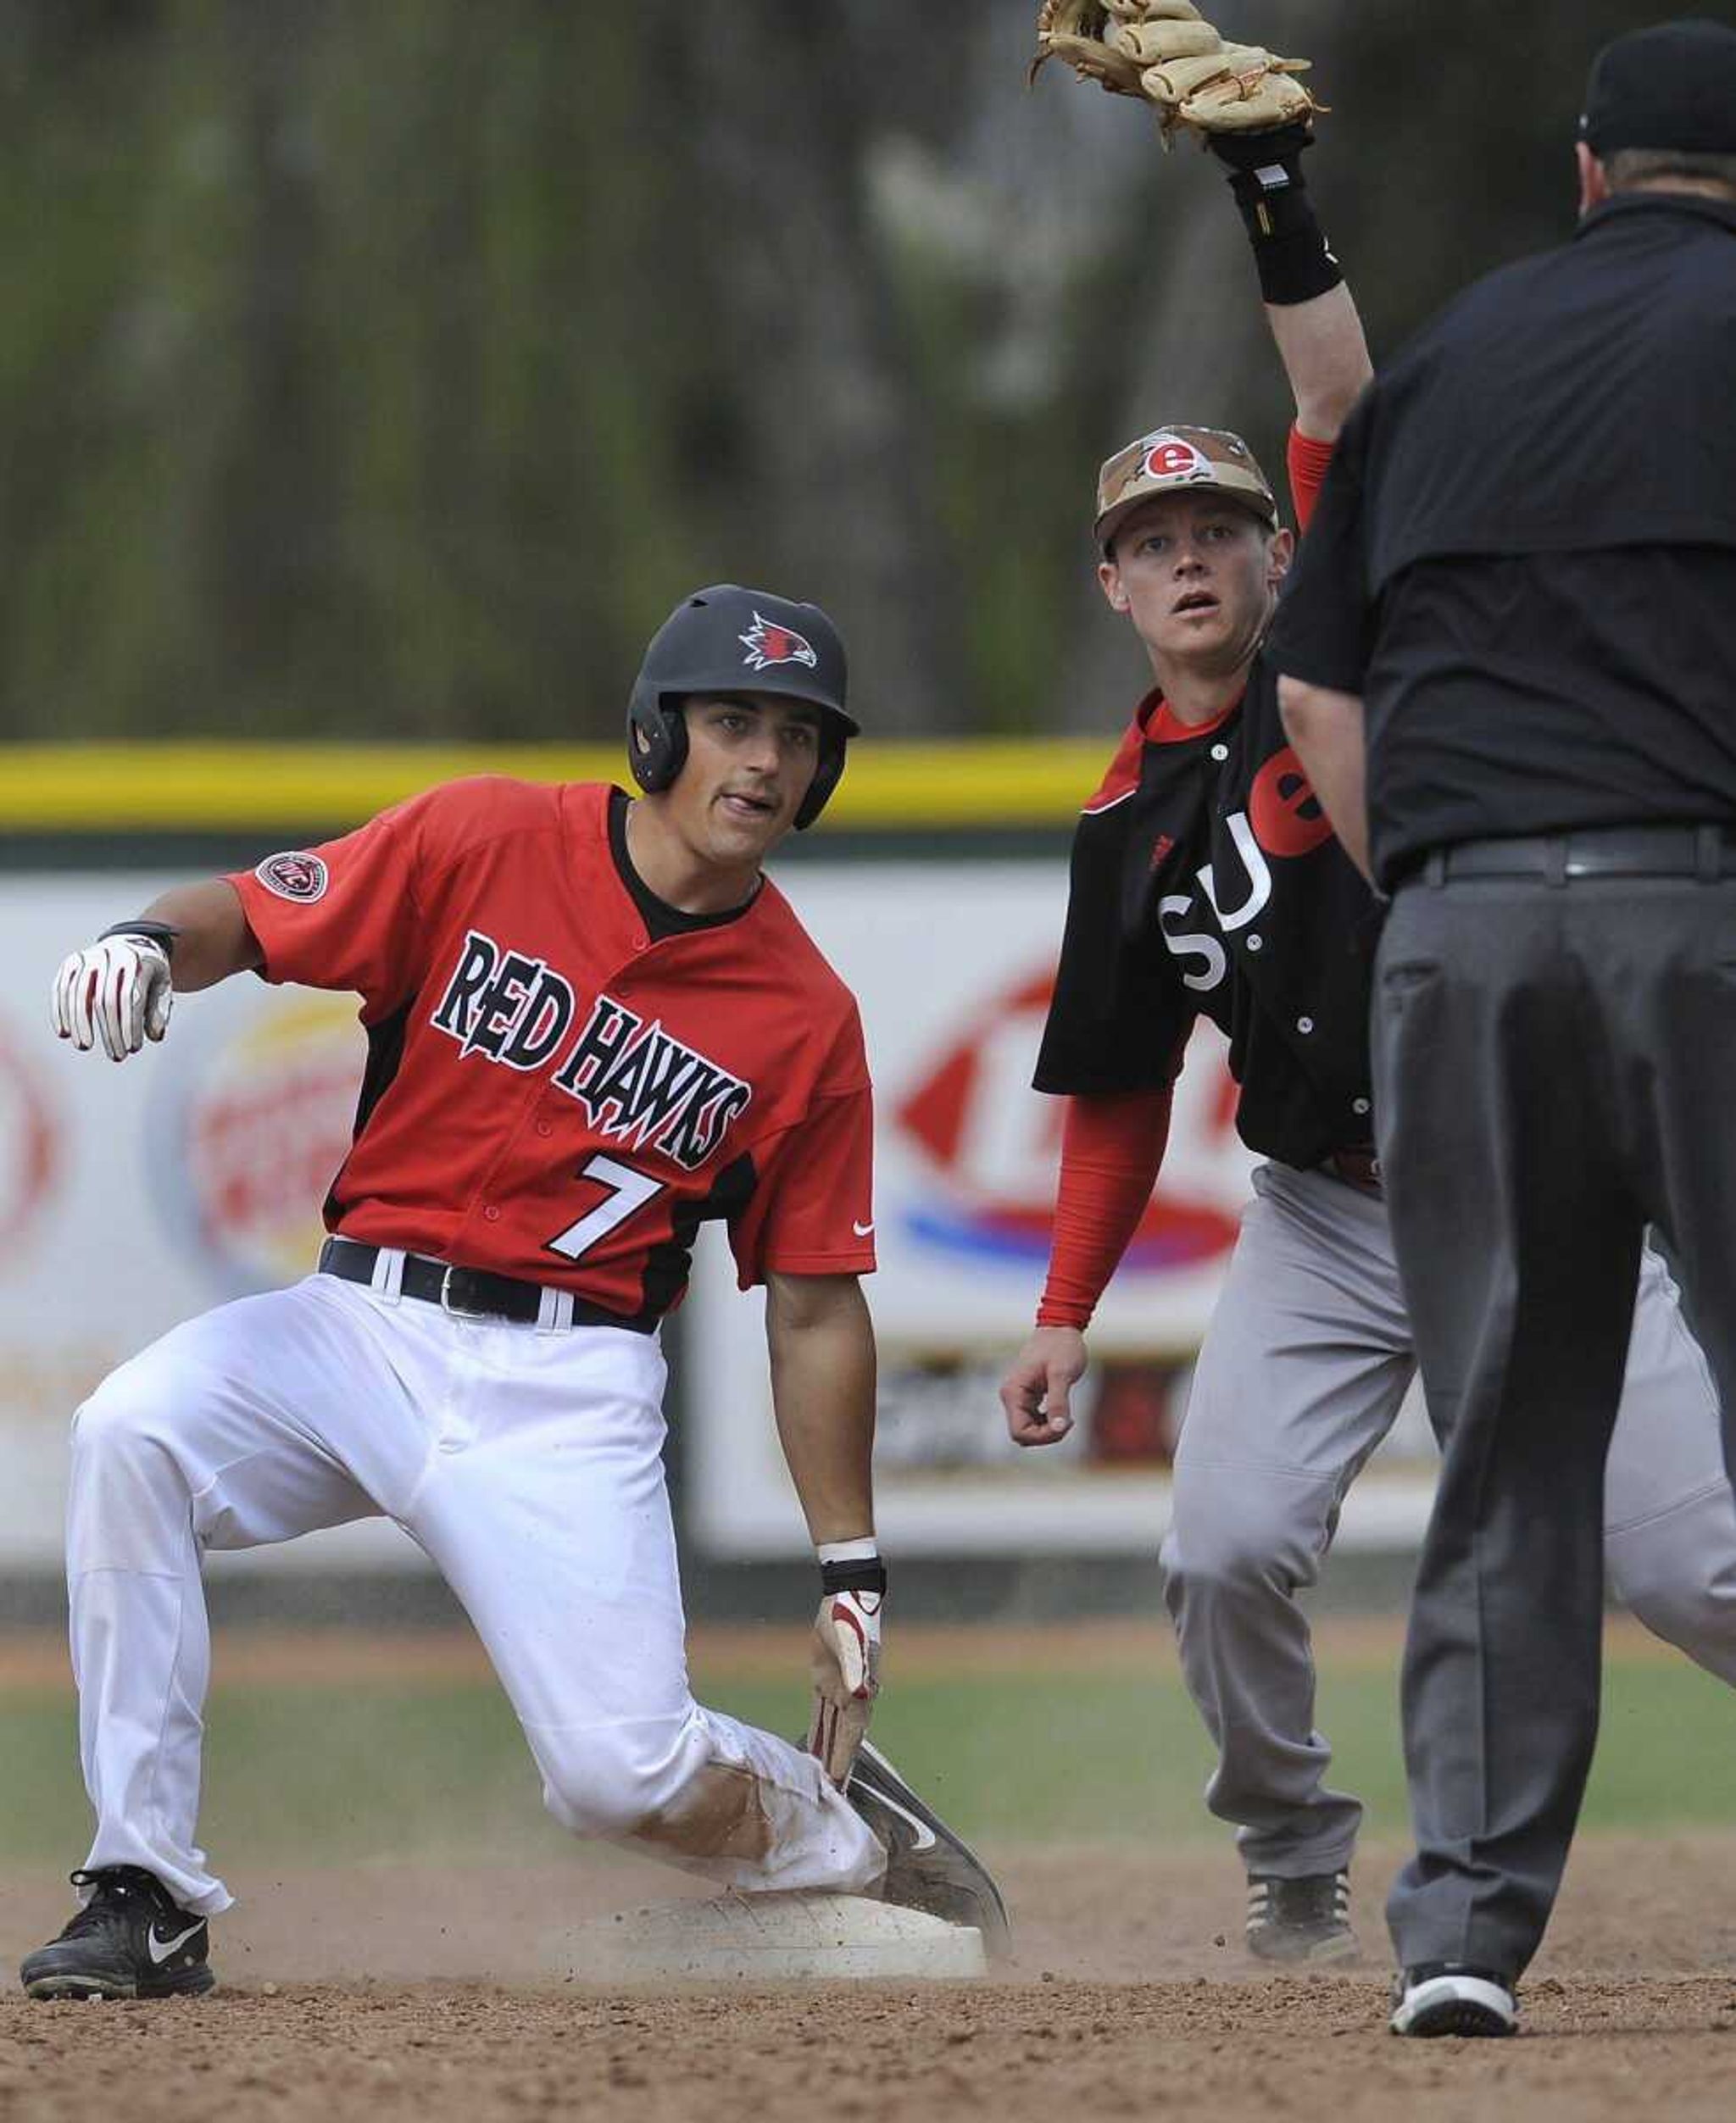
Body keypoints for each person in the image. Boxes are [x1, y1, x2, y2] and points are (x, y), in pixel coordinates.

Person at [997, 79, 1736, 2002]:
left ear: (1276, 550)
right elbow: (1115, 1088)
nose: (1187, 557)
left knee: (1692, 1568)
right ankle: (1295, 1852)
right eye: (1149, 534)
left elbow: (1335, 399)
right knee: (1220, 1545)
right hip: (1326, 1215)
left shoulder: (1364, 648)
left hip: (1526, 1173)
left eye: (1219, 527)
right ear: (1109, 583)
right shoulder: (1121, 826)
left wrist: (1271, 198)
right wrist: (1069, 1309)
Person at [26, 582, 1008, 2001]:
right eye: (732, 720)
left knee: (623, 1777)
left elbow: (811, 1303)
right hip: (359, 1323)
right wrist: (143, 941)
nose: (765, 762)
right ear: (655, 733)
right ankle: (145, 1889)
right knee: (132, 1430)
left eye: (799, 736)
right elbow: (246, 913)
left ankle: (838, 1824)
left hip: (572, 1382)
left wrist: (850, 1566)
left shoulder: (804, 1015)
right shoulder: (483, 835)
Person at [1270, 18, 1736, 2041]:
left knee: (1505, 1437)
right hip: (1697, 903)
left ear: (1583, 175)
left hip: (1452, 936)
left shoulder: (1444, 361)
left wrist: (1453, 901)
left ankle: (1459, 1929)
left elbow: (1316, 704)